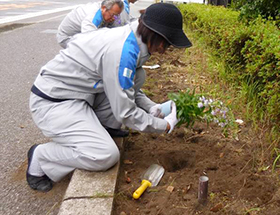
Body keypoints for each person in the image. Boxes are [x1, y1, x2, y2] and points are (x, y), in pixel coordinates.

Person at [27, 3, 192, 192]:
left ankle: (102, 129)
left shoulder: (134, 38)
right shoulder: (122, 52)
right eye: (168, 43)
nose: (167, 49)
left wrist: (152, 107)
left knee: (139, 75)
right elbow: (126, 113)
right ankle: (41, 157)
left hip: (80, 96)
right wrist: (165, 125)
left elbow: (125, 85)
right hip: (54, 102)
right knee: (104, 155)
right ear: (156, 36)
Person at [56, 0, 124, 48]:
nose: (114, 18)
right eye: (113, 15)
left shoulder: (108, 11)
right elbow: (89, 41)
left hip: (81, 33)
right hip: (67, 37)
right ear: (103, 8)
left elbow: (116, 31)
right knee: (89, 53)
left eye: (117, 16)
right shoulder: (93, 16)